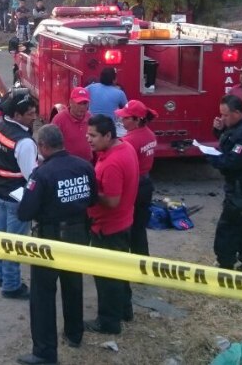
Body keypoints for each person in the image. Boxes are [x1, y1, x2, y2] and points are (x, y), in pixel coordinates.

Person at [16, 125, 96, 365]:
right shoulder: (84, 165)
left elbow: (24, 212)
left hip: (50, 240)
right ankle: (74, 333)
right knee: (73, 285)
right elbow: (92, 198)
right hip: (78, 234)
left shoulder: (41, 174)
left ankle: (44, 352)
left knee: (42, 295)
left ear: (42, 147)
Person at [84, 114, 139, 335]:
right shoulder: (124, 147)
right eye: (87, 134)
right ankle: (125, 310)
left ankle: (108, 322)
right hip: (123, 223)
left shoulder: (113, 162)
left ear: (108, 135)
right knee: (120, 271)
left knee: (106, 277)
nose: (89, 139)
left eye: (93, 136)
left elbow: (113, 201)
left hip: (108, 228)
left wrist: (91, 193)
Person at [0, 91, 39, 299]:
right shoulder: (25, 142)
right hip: (17, 197)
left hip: (0, 192)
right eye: (29, 114)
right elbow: (31, 175)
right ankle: (11, 286)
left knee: (0, 238)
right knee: (14, 244)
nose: (34, 116)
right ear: (17, 115)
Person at [209, 94, 242, 273]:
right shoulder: (241, 127)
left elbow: (232, 161)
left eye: (225, 115)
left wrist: (211, 157)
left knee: (229, 227)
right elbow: (229, 144)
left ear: (238, 112)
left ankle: (226, 264)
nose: (222, 118)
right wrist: (219, 130)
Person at [116, 100, 157, 256]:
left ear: (137, 119)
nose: (122, 120)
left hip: (134, 187)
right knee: (140, 228)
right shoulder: (150, 134)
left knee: (126, 227)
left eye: (126, 118)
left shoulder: (129, 141)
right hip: (146, 185)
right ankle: (142, 263)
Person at [50, 87, 93, 162]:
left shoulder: (90, 118)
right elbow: (51, 144)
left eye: (85, 103)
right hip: (67, 165)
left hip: (87, 163)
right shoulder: (59, 120)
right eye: (79, 103)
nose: (82, 107)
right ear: (70, 102)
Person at [86, 67, 127, 135]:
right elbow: (127, 109)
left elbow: (80, 93)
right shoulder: (120, 93)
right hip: (108, 131)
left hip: (91, 128)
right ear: (114, 80)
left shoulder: (91, 88)